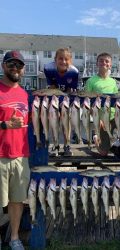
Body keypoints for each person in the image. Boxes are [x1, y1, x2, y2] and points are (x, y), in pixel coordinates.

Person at [0, 50, 30, 250]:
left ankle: (15, 237)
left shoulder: (25, 93)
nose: (15, 68)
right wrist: (5, 125)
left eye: (18, 65)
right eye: (11, 64)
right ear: (3, 66)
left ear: (23, 69)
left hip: (21, 155)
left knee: (17, 201)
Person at [85, 52, 120, 157]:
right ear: (97, 63)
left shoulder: (113, 82)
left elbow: (116, 99)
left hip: (115, 115)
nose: (104, 63)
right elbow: (87, 104)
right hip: (102, 119)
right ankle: (96, 138)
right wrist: (97, 120)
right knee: (104, 153)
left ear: (110, 65)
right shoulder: (90, 81)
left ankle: (118, 143)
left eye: (107, 61)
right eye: (101, 60)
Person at [44, 48, 79, 156]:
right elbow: (52, 87)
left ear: (70, 61)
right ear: (55, 59)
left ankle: (67, 145)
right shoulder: (48, 68)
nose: (63, 61)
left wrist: (65, 104)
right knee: (54, 121)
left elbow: (70, 90)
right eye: (60, 59)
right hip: (54, 94)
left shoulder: (74, 72)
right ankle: (55, 145)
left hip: (66, 97)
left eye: (66, 59)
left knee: (66, 121)